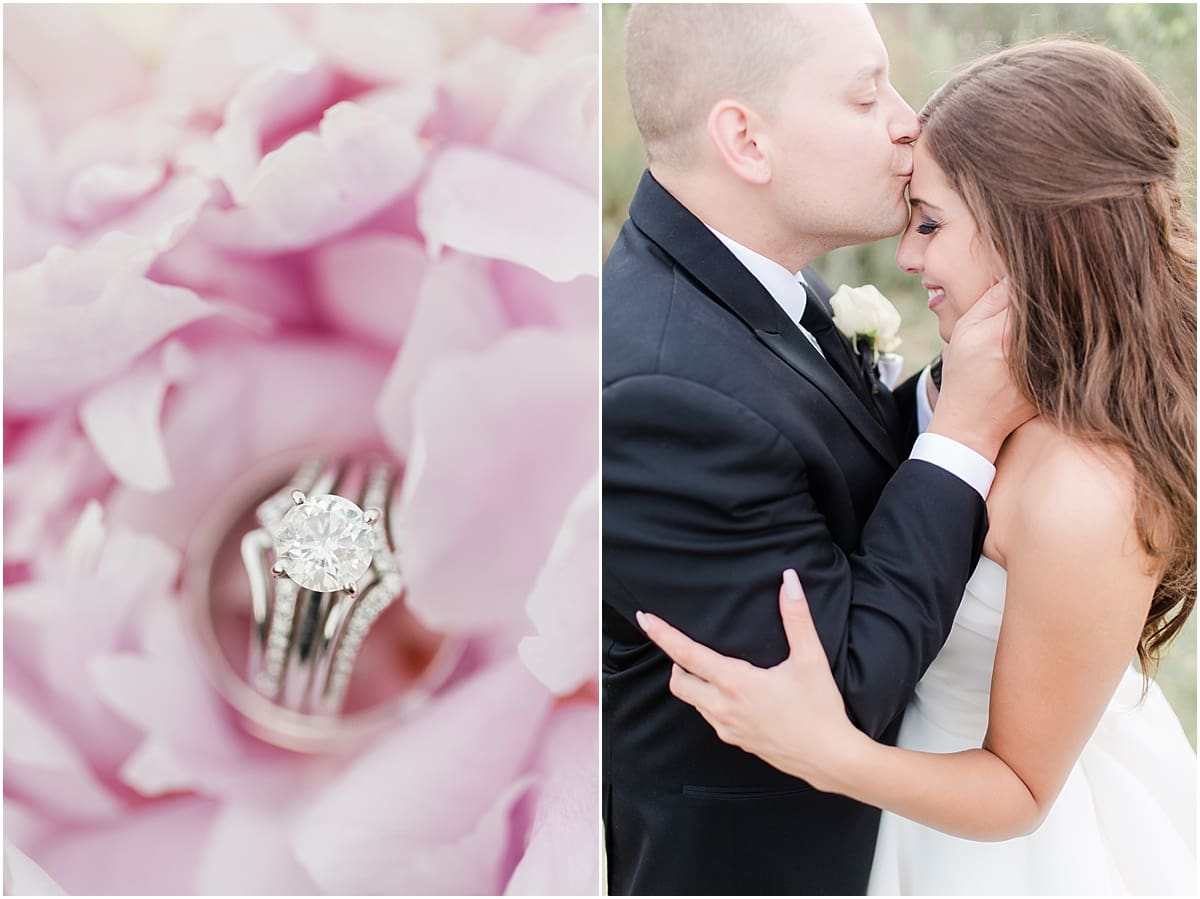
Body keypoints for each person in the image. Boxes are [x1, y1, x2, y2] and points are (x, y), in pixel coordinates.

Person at [639, 38, 1197, 895]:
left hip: (986, 854)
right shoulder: (986, 378)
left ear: (1030, 233)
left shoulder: (1081, 489)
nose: (906, 257)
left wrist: (831, 755)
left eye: (930, 224)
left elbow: (1019, 787)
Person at [602, 4, 1033, 894]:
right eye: (866, 93)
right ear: (746, 141)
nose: (909, 119)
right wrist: (963, 435)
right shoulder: (659, 392)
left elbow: (833, 464)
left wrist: (958, 386)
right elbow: (842, 688)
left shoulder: (750, 277)